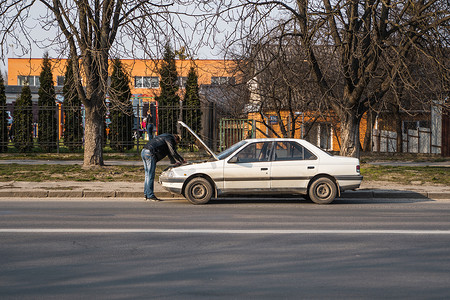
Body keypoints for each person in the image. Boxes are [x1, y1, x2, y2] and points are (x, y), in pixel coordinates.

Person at [141, 133, 186, 201]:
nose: (176, 144)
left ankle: (146, 194)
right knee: (150, 175)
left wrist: (174, 162)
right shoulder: (170, 139)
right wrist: (182, 160)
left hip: (144, 151)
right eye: (177, 143)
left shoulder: (165, 136)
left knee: (147, 175)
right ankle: (150, 196)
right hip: (150, 153)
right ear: (176, 139)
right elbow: (172, 152)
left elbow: (169, 153)